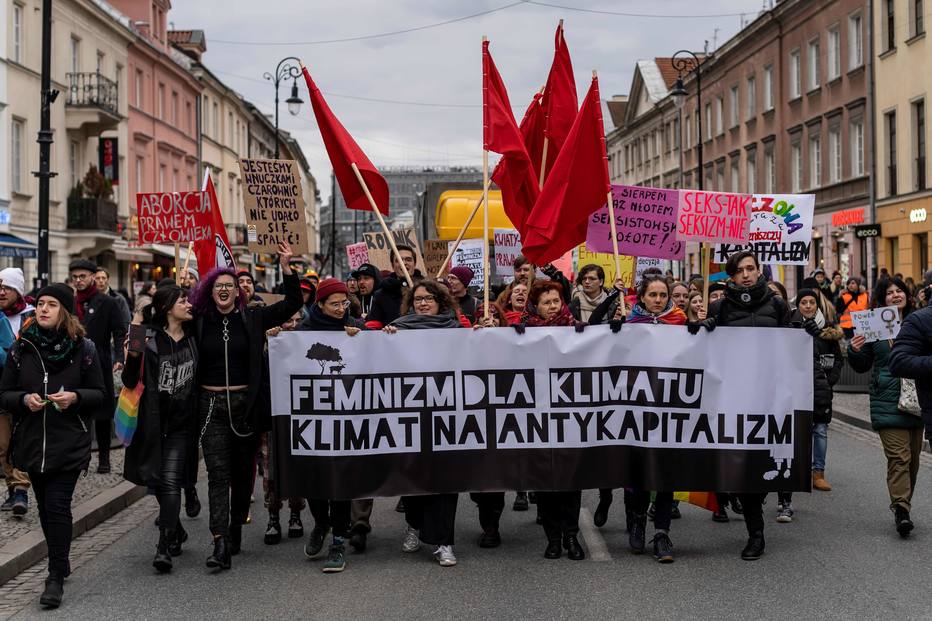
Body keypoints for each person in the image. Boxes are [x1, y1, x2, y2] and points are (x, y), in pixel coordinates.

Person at [189, 243, 302, 571]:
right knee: (217, 474)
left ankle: (236, 523)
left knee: (242, 475)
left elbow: (293, 303)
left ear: (238, 292)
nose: (224, 291)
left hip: (246, 405)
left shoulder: (253, 317)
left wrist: (287, 267)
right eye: (217, 286)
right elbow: (159, 318)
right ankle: (220, 540)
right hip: (210, 406)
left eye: (230, 286)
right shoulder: (199, 321)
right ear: (209, 292)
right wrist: (136, 339)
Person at [0, 283, 106, 608]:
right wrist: (23, 399)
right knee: (46, 508)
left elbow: (101, 395)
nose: (43, 309)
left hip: (69, 441)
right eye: (41, 303)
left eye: (52, 305)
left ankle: (54, 576)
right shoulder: (23, 348)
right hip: (32, 442)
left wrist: (75, 397)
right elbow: (4, 393)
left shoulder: (83, 348)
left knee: (58, 505)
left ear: (65, 311)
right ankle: (62, 559)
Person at [690, 250, 790, 560]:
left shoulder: (777, 305)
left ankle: (755, 503)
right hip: (735, 396)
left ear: (759, 271)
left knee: (764, 461)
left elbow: (791, 344)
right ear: (730, 275)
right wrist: (704, 327)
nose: (746, 274)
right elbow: (705, 351)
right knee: (743, 464)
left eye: (750, 268)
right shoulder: (720, 307)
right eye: (739, 270)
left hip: (770, 394)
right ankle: (755, 533)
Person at [600, 275, 686, 562]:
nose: (659, 300)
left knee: (665, 473)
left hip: (669, 409)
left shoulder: (680, 322)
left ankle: (661, 533)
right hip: (635, 411)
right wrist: (614, 329)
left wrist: (702, 328)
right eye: (653, 295)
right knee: (638, 473)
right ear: (643, 297)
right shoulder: (629, 323)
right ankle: (637, 518)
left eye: (663, 295)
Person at [382, 280, 462, 567]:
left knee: (445, 480)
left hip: (446, 415)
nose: (423, 303)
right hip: (410, 415)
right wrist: (385, 338)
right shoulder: (398, 328)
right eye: (418, 299)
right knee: (413, 475)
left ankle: (444, 542)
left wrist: (482, 335)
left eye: (429, 298)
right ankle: (414, 525)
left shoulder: (456, 330)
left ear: (441, 301)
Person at [122, 285, 198, 573]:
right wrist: (133, 344)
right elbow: (130, 380)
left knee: (169, 481)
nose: (189, 304)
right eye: (183, 301)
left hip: (181, 424)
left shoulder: (194, 335)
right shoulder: (147, 337)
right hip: (152, 423)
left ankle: (163, 545)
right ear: (168, 307)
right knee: (158, 482)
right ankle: (176, 529)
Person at [297, 278, 365, 572]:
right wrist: (275, 341)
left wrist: (362, 337)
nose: (341, 309)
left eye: (345, 303)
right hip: (313, 417)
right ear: (320, 305)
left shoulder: (354, 327)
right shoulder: (302, 333)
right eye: (334, 304)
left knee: (340, 478)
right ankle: (321, 523)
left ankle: (338, 539)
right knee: (314, 478)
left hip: (346, 416)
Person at [518, 280, 586, 561]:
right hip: (537, 417)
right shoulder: (522, 331)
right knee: (545, 480)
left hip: (570, 415)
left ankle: (572, 534)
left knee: (571, 479)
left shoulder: (577, 328)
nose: (552, 307)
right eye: (546, 302)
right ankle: (553, 537)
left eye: (556, 301)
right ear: (536, 305)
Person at [854, 277, 923, 537]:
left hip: (917, 399)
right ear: (882, 300)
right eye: (890, 293)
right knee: (899, 457)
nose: (896, 295)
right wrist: (855, 348)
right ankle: (901, 509)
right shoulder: (874, 326)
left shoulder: (920, 322)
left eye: (899, 291)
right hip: (887, 401)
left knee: (913, 461)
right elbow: (861, 364)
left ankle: (903, 503)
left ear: (907, 295)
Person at [774, 288, 843, 523]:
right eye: (803, 302)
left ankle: (817, 472)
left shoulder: (827, 329)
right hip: (793, 391)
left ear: (817, 305)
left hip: (819, 389)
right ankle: (787, 492)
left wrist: (828, 380)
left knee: (820, 430)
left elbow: (837, 358)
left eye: (811, 302)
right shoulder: (788, 325)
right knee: (793, 440)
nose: (807, 306)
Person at [69, 259, 127, 475]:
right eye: (75, 277)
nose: (78, 280)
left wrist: (119, 357)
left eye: (82, 276)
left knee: (102, 414)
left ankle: (104, 458)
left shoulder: (107, 302)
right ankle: (81, 458)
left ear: (93, 277)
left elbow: (119, 332)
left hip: (100, 363)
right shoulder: (69, 302)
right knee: (78, 411)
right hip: (73, 364)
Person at [261, 309, 308, 548]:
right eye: (288, 319)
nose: (293, 325)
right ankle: (272, 517)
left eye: (298, 321)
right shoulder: (267, 345)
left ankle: (296, 515)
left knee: (297, 466)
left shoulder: (306, 345)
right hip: (272, 415)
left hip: (300, 417)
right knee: (270, 470)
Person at [0, 268, 34, 516]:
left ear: (18, 290)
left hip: (25, 390)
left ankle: (21, 490)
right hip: (1, 390)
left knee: (20, 440)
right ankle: (13, 490)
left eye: (7, 287)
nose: (1, 292)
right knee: (3, 443)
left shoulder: (32, 316)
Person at [367, 245, 420, 328]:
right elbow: (373, 326)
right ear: (392, 265)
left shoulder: (427, 290)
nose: (404, 263)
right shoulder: (381, 295)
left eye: (408, 260)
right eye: (399, 260)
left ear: (415, 264)